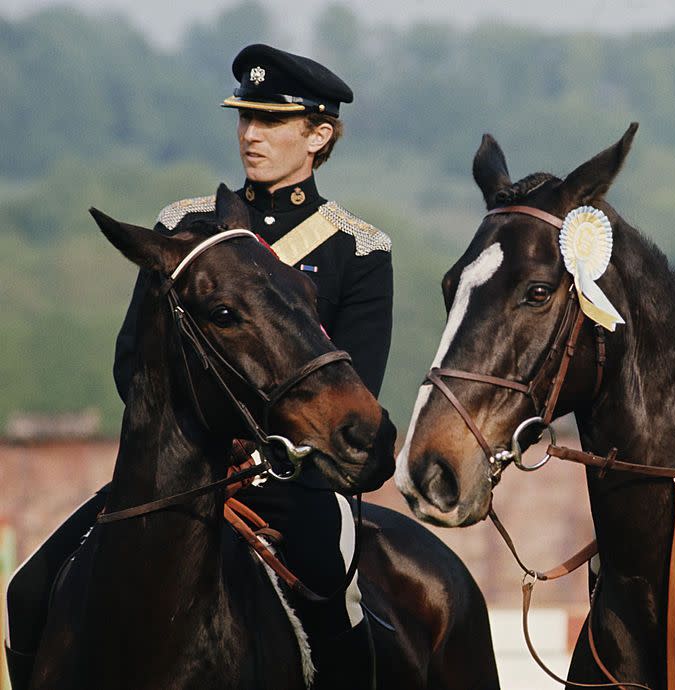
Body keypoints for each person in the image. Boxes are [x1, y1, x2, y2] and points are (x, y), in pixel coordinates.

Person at [4, 44, 392, 689]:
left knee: (338, 599)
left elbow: (355, 388)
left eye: (270, 121)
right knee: (28, 590)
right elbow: (134, 362)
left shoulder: (357, 247)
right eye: (245, 118)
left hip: (294, 486)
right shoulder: (185, 227)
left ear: (319, 135)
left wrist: (265, 462)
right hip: (181, 476)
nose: (250, 135)